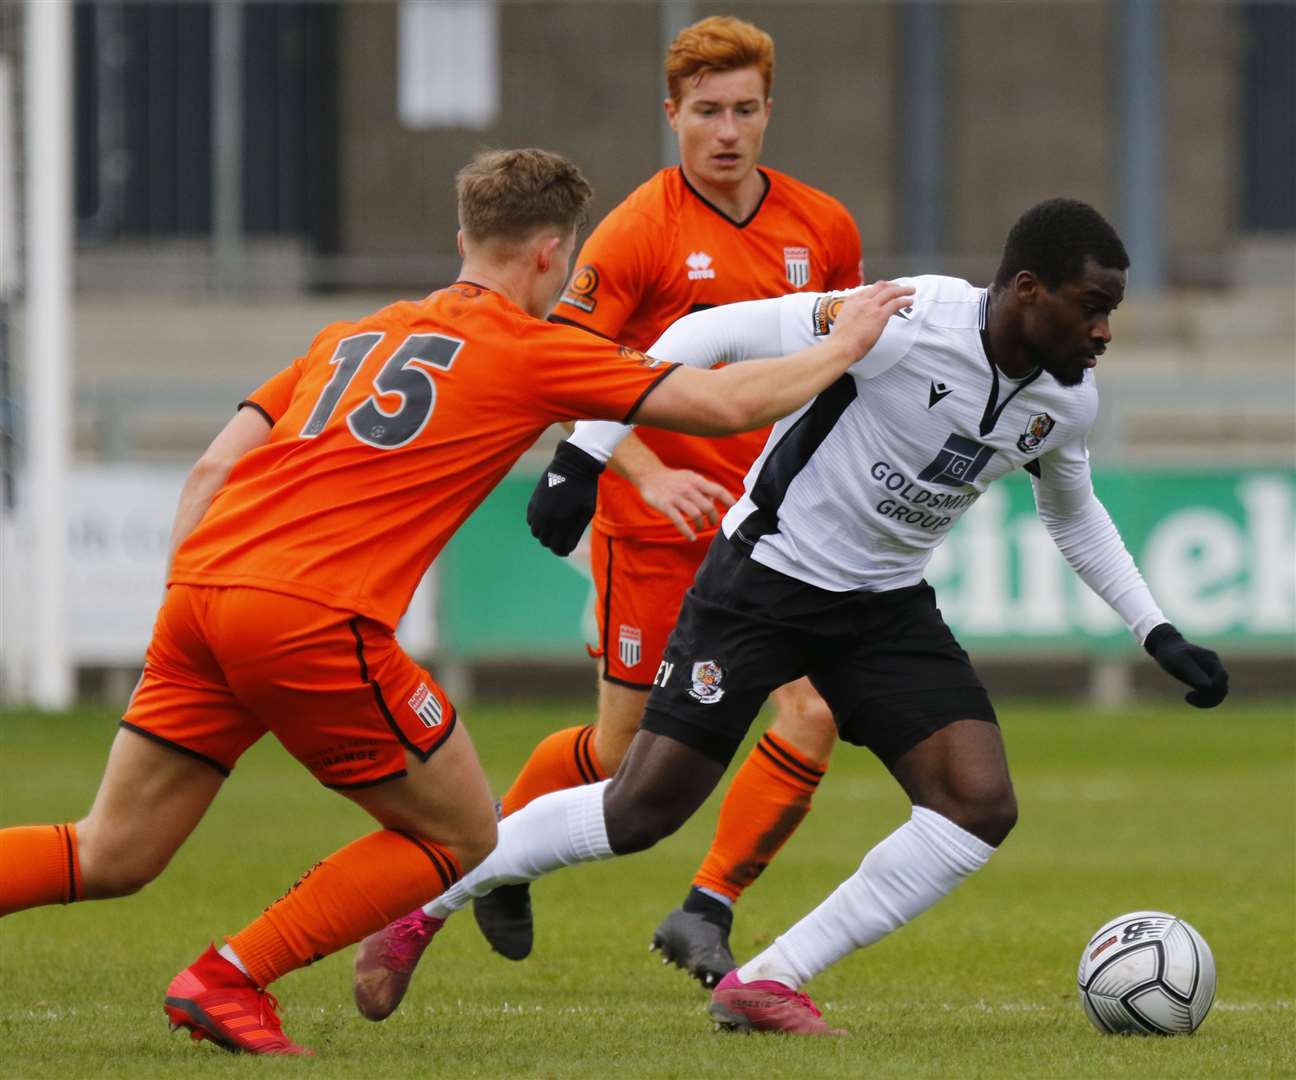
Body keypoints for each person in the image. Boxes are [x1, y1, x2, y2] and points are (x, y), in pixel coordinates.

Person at [0, 147, 913, 1056]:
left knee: (109, 851)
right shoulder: (529, 346)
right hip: (312, 615)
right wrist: (842, 347)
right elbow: (718, 404)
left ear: (463, 235)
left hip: (198, 596)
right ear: (553, 255)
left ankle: (230, 979)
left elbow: (208, 471)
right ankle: (229, 978)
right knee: (463, 835)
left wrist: (186, 605)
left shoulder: (351, 336)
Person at [352, 198, 1229, 1036]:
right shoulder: (907, 316)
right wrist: (586, 454)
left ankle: (768, 979)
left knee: (977, 802)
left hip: (884, 607)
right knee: (640, 811)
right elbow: (710, 333)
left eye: (1111, 312)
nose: (1105, 333)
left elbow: (1070, 512)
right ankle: (423, 906)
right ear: (1029, 290)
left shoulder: (1066, 398)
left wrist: (1155, 630)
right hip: (763, 584)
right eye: (1093, 308)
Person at [461, 14, 864, 990]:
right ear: (672, 113)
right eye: (707, 112)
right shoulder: (639, 230)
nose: (727, 131)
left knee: (810, 716)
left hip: (771, 535)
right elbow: (569, 373)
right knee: (618, 757)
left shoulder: (825, 229)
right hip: (656, 531)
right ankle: (491, 854)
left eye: (746, 110)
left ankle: (706, 909)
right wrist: (644, 471)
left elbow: (843, 367)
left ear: (770, 112)